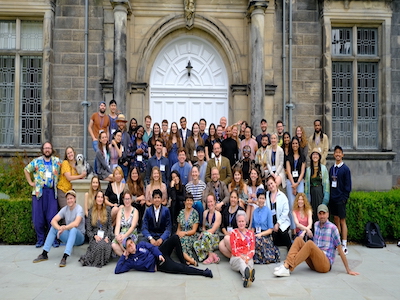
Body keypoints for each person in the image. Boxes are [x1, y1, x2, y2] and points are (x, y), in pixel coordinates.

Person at [273, 204, 359, 277]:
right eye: (320, 214)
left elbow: (340, 249)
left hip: (325, 264)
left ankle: (287, 266)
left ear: (328, 214)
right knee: (299, 239)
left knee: (310, 244)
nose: (322, 216)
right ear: (317, 215)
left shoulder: (333, 228)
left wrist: (348, 270)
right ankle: (286, 264)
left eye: (324, 213)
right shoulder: (316, 225)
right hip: (314, 263)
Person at [114, 234, 213, 278]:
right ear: (127, 249)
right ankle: (204, 272)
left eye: (131, 242)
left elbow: (153, 248)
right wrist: (123, 256)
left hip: (160, 254)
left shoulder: (141, 244)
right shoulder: (130, 262)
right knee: (179, 268)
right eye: (129, 245)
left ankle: (183, 261)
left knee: (175, 237)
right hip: (159, 264)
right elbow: (117, 270)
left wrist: (159, 254)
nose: (131, 245)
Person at [33, 190, 85, 267]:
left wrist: (65, 227)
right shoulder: (65, 209)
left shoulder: (79, 209)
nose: (69, 200)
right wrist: (59, 228)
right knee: (54, 228)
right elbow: (53, 221)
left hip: (79, 237)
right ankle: (44, 253)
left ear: (75, 199)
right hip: (68, 235)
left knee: (73, 229)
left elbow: (76, 223)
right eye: (68, 199)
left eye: (71, 198)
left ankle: (65, 257)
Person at [24, 142, 62, 248]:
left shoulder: (57, 161)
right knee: (38, 217)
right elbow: (26, 170)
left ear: (52, 149)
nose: (47, 150)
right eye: (45, 148)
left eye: (49, 148)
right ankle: (40, 239)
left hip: (51, 192)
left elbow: (67, 167)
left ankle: (53, 239)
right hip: (38, 193)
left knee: (52, 216)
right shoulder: (36, 161)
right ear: (42, 150)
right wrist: (31, 183)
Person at [79, 190, 113, 267]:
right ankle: (97, 262)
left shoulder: (107, 210)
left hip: (105, 235)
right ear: (95, 199)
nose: (100, 199)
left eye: (101, 197)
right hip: (95, 236)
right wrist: (94, 236)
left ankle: (98, 261)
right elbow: (88, 230)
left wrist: (107, 237)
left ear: (103, 199)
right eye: (98, 197)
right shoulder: (91, 211)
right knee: (99, 244)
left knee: (105, 245)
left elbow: (109, 227)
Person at [329, 145, 352, 255]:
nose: (337, 154)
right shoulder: (332, 169)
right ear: (334, 155)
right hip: (333, 198)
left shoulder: (345, 169)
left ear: (342, 155)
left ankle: (344, 245)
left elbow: (348, 186)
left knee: (342, 221)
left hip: (341, 199)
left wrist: (344, 198)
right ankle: (337, 243)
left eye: (339, 153)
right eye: (336, 152)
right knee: (336, 220)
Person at [251, 189, 280, 264]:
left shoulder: (268, 211)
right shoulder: (254, 211)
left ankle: (263, 257)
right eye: (260, 198)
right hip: (256, 234)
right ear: (257, 199)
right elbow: (253, 227)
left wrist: (260, 234)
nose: (261, 200)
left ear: (265, 200)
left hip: (265, 235)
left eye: (263, 198)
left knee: (257, 240)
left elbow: (270, 230)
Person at [229, 210, 256, 288]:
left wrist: (247, 257)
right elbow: (234, 250)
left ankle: (246, 278)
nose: (241, 223)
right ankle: (248, 275)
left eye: (242, 221)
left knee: (249, 264)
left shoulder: (251, 233)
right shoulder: (233, 233)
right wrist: (242, 257)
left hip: (248, 256)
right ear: (237, 222)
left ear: (246, 222)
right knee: (241, 262)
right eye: (239, 221)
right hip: (236, 257)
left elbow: (252, 249)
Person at [193, 194, 222, 263]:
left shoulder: (218, 214)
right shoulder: (205, 213)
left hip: (214, 238)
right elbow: (203, 227)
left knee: (206, 236)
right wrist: (203, 231)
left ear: (215, 202)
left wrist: (203, 233)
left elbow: (212, 230)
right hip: (206, 237)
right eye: (208, 202)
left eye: (211, 201)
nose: (210, 204)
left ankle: (208, 257)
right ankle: (211, 255)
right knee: (195, 243)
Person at [286, 136, 306, 232]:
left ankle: (300, 229)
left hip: (300, 182)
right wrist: (293, 185)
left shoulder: (302, 157)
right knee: (291, 205)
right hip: (290, 182)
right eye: (293, 143)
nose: (294, 145)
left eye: (296, 143)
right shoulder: (288, 157)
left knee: (300, 204)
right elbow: (289, 171)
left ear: (299, 145)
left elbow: (302, 172)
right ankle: (293, 230)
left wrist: (297, 184)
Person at [266, 176, 292, 250]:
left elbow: (286, 211)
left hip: (282, 222)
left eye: (272, 183)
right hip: (271, 223)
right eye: (269, 185)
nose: (271, 186)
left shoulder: (282, 196)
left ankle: (291, 250)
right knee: (274, 236)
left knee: (283, 232)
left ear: (275, 183)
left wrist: (278, 223)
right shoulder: (267, 195)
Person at [304, 148, 329, 223]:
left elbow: (326, 183)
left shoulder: (323, 168)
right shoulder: (308, 170)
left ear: (319, 157)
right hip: (312, 194)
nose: (315, 156)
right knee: (312, 213)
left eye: (317, 154)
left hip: (320, 193)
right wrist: (306, 198)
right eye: (313, 154)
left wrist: (326, 198)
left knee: (321, 212)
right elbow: (307, 185)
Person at [112, 191, 139, 256]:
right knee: (113, 244)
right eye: (125, 199)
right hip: (122, 232)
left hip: (131, 233)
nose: (127, 201)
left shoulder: (135, 211)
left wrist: (124, 236)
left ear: (131, 199)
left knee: (125, 241)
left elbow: (133, 226)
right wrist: (117, 236)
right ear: (123, 200)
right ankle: (125, 256)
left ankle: (126, 253)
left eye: (128, 199)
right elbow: (118, 225)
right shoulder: (120, 211)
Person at [218, 190, 245, 258]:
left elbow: (243, 226)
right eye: (231, 197)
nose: (233, 199)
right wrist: (226, 232)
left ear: (238, 199)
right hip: (228, 234)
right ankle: (238, 258)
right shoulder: (225, 209)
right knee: (221, 245)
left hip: (238, 235)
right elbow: (222, 225)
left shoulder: (240, 211)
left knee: (227, 239)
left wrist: (233, 233)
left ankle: (240, 257)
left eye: (235, 197)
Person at [176, 193, 199, 266]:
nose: (189, 202)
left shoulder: (195, 213)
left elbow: (194, 230)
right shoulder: (181, 213)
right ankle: (191, 260)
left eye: (191, 200)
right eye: (187, 200)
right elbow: (179, 228)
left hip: (191, 235)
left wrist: (184, 233)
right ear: (184, 202)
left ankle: (189, 259)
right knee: (177, 241)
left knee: (184, 241)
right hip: (182, 234)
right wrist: (178, 235)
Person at [115, 114, 131, 179]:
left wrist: (127, 160)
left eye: (123, 122)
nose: (121, 124)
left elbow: (129, 148)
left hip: (124, 163)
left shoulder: (127, 135)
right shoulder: (114, 134)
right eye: (120, 122)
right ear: (118, 123)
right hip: (116, 162)